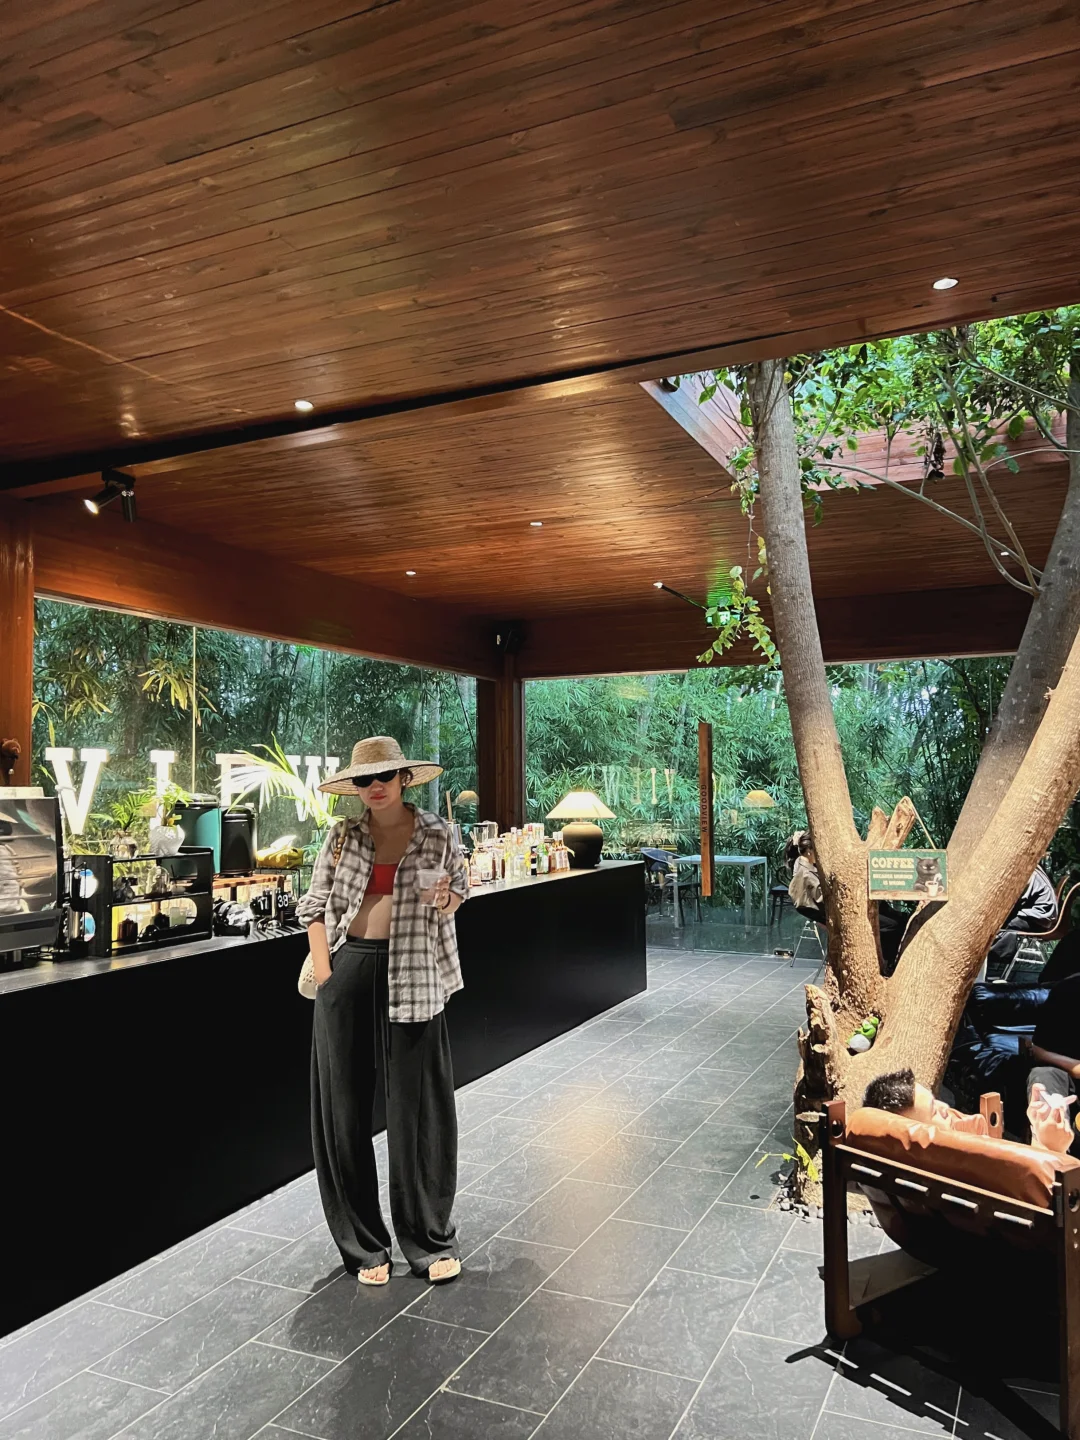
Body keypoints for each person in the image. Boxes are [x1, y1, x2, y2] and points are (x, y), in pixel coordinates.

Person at [297, 736, 469, 1287]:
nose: (374, 787)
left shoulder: (438, 832)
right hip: (349, 969)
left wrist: (445, 897)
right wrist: (326, 973)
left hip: (416, 970)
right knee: (342, 1111)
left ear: (404, 779)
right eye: (364, 780)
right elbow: (313, 907)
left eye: (384, 777)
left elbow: (459, 894)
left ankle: (428, 1239)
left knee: (418, 1110)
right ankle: (363, 1245)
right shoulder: (342, 836)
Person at [864, 1066, 1075, 1154]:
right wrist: (1052, 1146)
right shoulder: (974, 1172)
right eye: (935, 1111)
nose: (946, 1107)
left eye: (936, 1101)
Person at [1026, 970, 1080, 1157]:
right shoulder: (1069, 990)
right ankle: (1050, 1155)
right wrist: (1075, 1067)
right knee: (1044, 1077)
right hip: (1067, 1081)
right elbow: (1037, 1051)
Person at [986, 865, 1058, 974]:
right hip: (1041, 916)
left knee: (993, 926)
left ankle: (989, 960)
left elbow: (1012, 902)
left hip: (1036, 919)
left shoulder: (1024, 871)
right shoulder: (1032, 868)